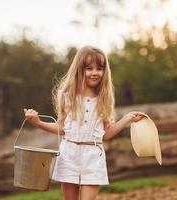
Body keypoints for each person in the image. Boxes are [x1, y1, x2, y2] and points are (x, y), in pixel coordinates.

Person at [24, 45, 145, 200]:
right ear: (79, 69)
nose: (95, 73)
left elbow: (106, 134)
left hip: (93, 156)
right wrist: (37, 122)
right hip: (69, 154)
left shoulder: (104, 99)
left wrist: (127, 118)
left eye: (99, 68)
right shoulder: (66, 96)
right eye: (89, 68)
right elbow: (62, 128)